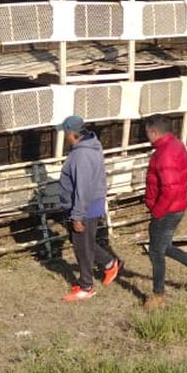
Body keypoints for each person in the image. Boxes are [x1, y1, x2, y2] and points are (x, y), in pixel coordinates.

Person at [142, 114, 187, 310]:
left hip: (166, 210)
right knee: (165, 247)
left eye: (148, 133)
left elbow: (169, 188)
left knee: (156, 251)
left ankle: (158, 295)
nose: (147, 136)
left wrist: (157, 211)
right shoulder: (176, 145)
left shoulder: (164, 153)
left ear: (154, 132)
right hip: (176, 206)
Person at [57, 115, 121, 302]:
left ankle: (87, 286)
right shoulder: (92, 145)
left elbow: (82, 188)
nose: (64, 137)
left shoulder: (80, 155)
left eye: (65, 133)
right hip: (91, 204)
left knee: (82, 249)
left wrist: (77, 215)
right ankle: (110, 263)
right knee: (84, 243)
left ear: (72, 134)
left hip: (84, 207)